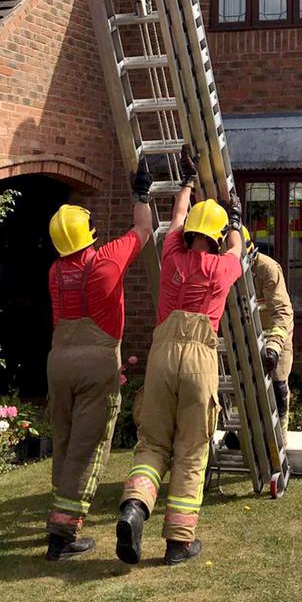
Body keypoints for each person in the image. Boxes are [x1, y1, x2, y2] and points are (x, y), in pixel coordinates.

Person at [116, 148, 242, 566]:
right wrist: (237, 221)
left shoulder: (172, 252)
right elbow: (238, 250)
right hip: (200, 356)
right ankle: (178, 543)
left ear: (190, 232)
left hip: (162, 354)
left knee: (152, 442)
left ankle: (135, 507)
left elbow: (174, 220)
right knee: (191, 448)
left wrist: (186, 182)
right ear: (218, 237)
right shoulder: (222, 267)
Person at [44, 160, 153, 561]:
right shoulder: (107, 260)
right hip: (96, 362)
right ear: (88, 234)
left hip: (59, 361)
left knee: (66, 442)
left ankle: (58, 519)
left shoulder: (55, 271)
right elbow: (142, 230)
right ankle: (64, 535)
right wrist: (140, 194)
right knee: (88, 449)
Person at [244, 227, 294, 438]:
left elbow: (282, 312)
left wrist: (273, 347)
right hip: (247, 334)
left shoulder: (267, 268)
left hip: (276, 334)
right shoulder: (226, 266)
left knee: (278, 388)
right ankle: (248, 434)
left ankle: (279, 441)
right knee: (247, 387)